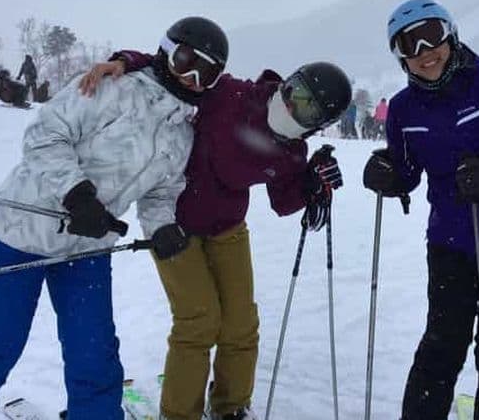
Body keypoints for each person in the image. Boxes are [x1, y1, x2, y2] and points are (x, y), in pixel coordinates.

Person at [0, 16, 224, 419]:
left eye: (205, 73)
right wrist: (76, 194)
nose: (191, 77)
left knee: (94, 356)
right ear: (167, 51)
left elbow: (161, 192)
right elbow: (44, 135)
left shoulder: (181, 133)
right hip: (16, 234)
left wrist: (162, 226)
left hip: (86, 249)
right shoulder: (109, 87)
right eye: (186, 60)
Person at [80, 50, 351, 420]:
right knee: (199, 320)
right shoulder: (230, 95)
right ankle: (179, 414)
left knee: (241, 324)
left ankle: (230, 407)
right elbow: (173, 69)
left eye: (307, 108)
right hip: (172, 224)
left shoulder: (290, 153)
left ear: (319, 124)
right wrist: (125, 61)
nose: (291, 105)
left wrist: (312, 181)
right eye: (294, 90)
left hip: (228, 229)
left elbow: (282, 201)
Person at [361, 0, 479, 419]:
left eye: (432, 36)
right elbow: (406, 170)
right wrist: (387, 174)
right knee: (442, 342)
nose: (424, 53)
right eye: (409, 44)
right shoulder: (403, 108)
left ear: (451, 35)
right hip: (448, 241)